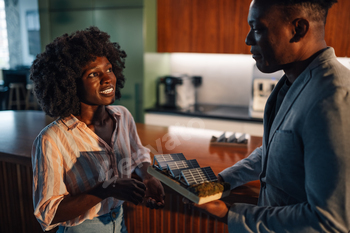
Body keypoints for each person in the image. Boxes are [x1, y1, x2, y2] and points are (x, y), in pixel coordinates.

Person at [190, 0, 350, 232]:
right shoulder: (294, 82)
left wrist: (231, 214)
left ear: (298, 29)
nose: (248, 39)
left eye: (257, 28)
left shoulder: (333, 99)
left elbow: (329, 221)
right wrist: (223, 181)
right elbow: (278, 149)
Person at [30, 26, 165, 232]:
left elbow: (138, 154)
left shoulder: (123, 116)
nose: (107, 78)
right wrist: (106, 189)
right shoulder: (52, 138)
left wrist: (147, 175)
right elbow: (49, 214)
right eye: (94, 74)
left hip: (119, 222)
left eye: (109, 69)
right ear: (70, 84)